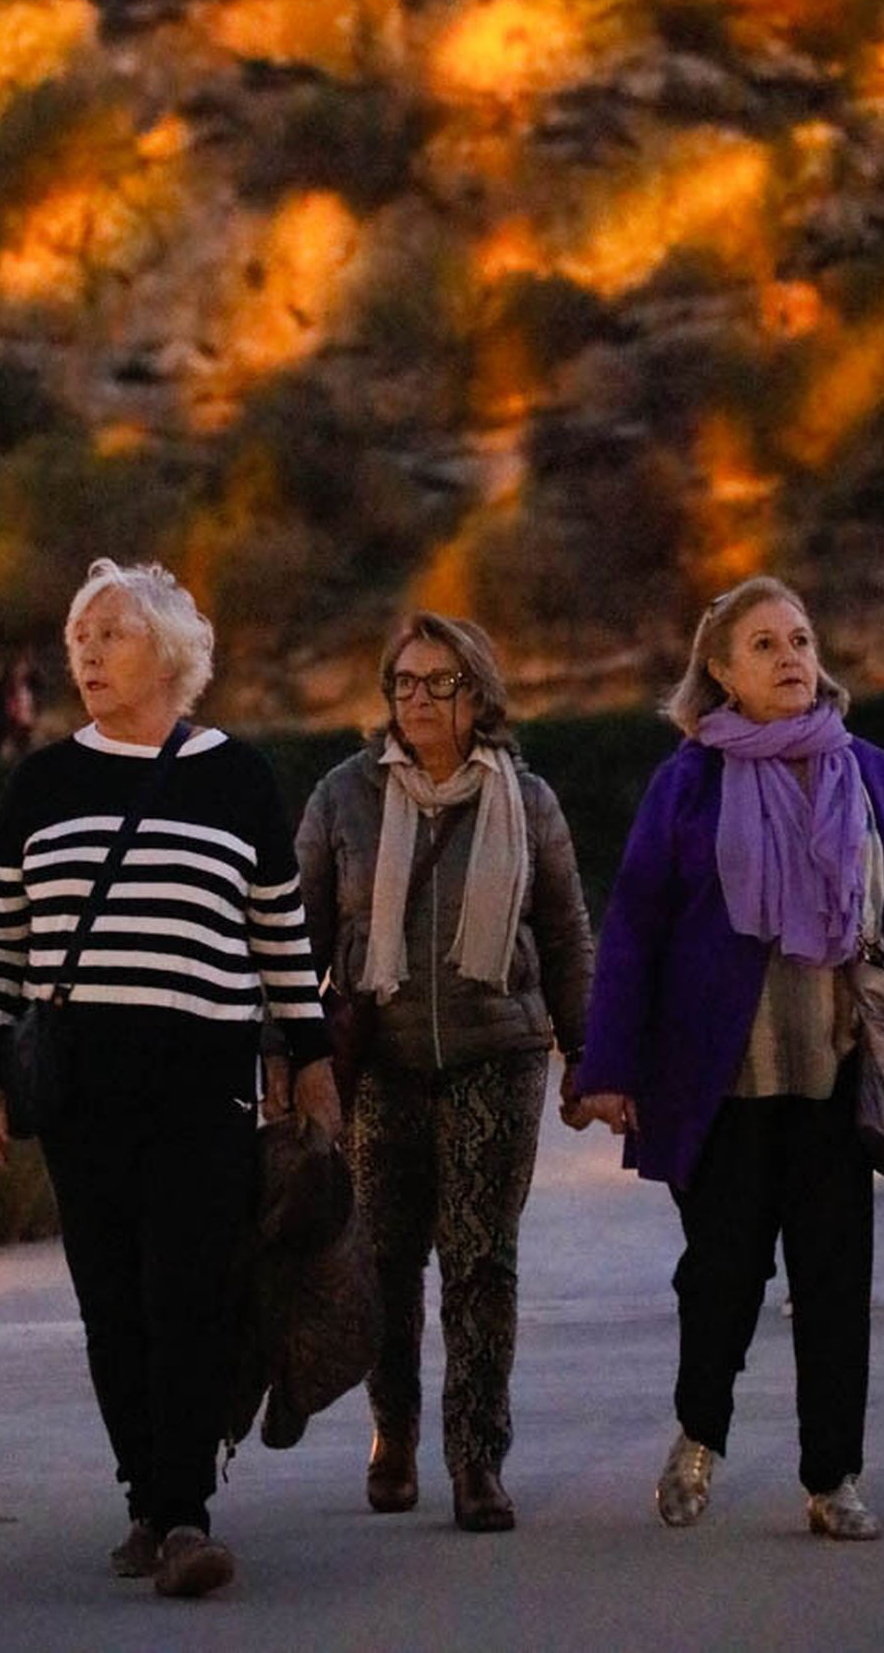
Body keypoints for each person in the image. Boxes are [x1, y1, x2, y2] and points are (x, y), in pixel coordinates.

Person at [0, 558, 340, 1600]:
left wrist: (311, 1059)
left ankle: (182, 1515)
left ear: (169, 653)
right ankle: (147, 1493)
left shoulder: (238, 777)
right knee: (112, 1303)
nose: (86, 656)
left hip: (202, 1083)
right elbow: (0, 938)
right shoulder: (41, 783)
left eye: (111, 635)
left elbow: (280, 935)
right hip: (80, 1087)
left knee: (189, 1293)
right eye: (79, 639)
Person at [569, 575, 884, 1543]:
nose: (791, 656)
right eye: (764, 643)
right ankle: (699, 1432)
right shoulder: (687, 783)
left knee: (834, 1284)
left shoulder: (870, 775)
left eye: (800, 637)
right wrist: (609, 1065)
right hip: (723, 1083)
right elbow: (635, 927)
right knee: (720, 1276)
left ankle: (833, 1476)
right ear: (720, 670)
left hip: (838, 1078)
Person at [294, 610, 594, 1533]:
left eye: (440, 682)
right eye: (404, 682)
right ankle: (394, 1434)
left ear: (480, 693)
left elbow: (566, 934)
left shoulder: (527, 800)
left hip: (497, 1053)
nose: (418, 698)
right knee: (385, 1260)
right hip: (381, 1061)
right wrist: (291, 1059)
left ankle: (477, 1457)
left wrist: (587, 1055)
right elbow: (296, 938)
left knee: (481, 1259)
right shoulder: (342, 797)